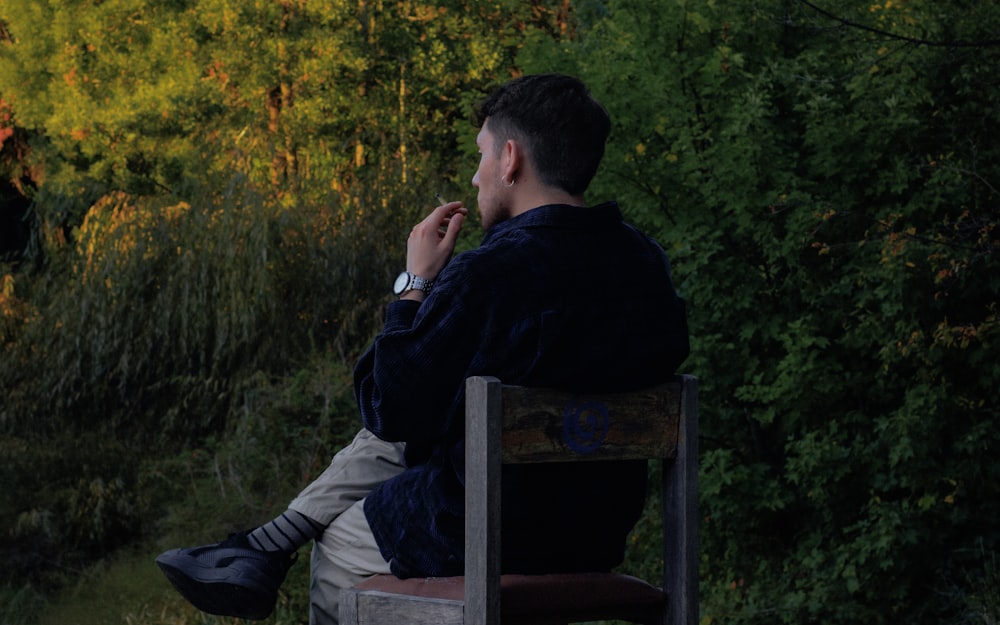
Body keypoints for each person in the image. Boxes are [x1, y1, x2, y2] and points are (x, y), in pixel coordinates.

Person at [155, 73, 690, 625]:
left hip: (483, 526)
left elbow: (388, 407)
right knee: (431, 426)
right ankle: (265, 544)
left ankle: (271, 544)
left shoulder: (492, 273)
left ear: (510, 159)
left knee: (338, 545)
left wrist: (414, 284)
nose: (478, 177)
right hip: (596, 530)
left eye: (481, 155)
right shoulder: (646, 266)